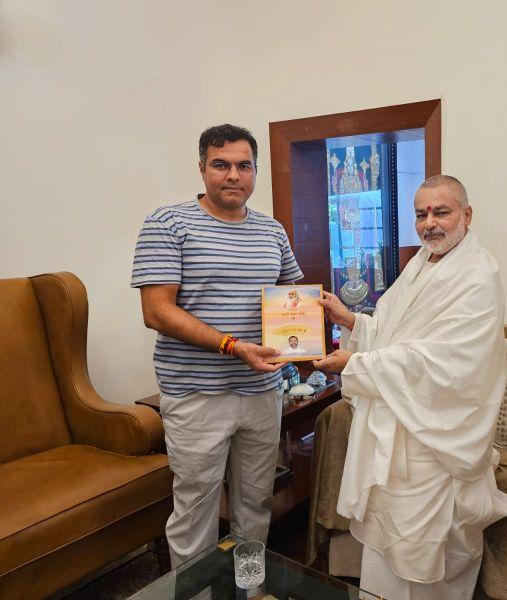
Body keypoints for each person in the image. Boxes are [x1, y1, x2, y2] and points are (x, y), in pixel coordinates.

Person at [312, 175, 507, 600]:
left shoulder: (478, 274)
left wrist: (359, 363)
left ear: (466, 215)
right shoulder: (421, 263)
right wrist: (352, 321)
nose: (429, 224)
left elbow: (445, 361)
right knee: (387, 551)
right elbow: (393, 329)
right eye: (421, 214)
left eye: (441, 212)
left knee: (426, 558)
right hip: (398, 423)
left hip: (434, 437)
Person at [131, 124, 303, 567]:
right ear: (202, 167)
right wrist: (233, 346)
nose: (233, 175)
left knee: (255, 507)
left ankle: (249, 586)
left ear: (255, 171)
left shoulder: (272, 231)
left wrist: (322, 321)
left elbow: (292, 301)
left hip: (262, 392)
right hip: (196, 396)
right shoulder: (167, 223)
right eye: (220, 164)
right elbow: (157, 310)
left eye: (244, 166)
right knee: (196, 514)